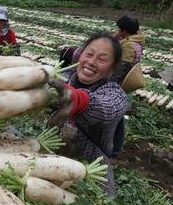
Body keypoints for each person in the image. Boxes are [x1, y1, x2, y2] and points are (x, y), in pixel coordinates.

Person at [48, 34, 129, 196]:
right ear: (80, 55)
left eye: (102, 59)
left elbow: (106, 110)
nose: (91, 62)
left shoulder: (115, 94)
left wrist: (78, 100)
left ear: (111, 69)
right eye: (89, 54)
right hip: (50, 165)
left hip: (90, 175)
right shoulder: (63, 80)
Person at [111, 15, 145, 156]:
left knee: (115, 118)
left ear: (124, 30)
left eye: (119, 30)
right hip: (125, 85)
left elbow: (122, 67)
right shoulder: (135, 41)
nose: (118, 32)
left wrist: (110, 83)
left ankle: (115, 148)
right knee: (117, 117)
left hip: (120, 85)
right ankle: (115, 147)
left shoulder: (129, 45)